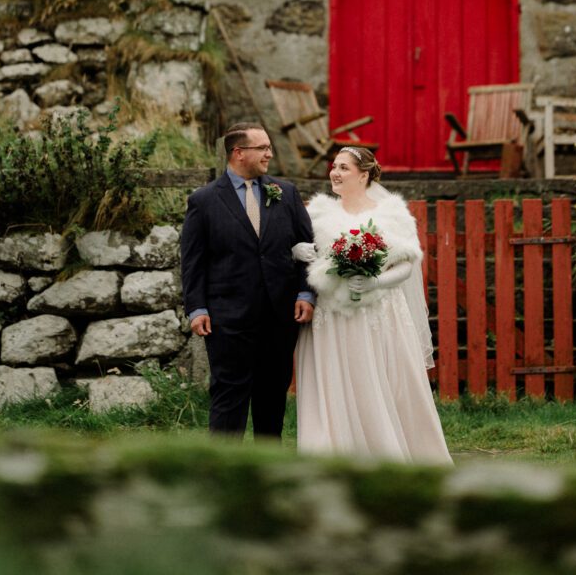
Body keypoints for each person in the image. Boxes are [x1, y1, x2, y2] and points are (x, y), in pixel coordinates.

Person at [293, 146, 452, 464]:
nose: (335, 173)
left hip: (377, 311)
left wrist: (375, 282)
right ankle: (333, 450)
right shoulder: (318, 213)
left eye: (344, 168)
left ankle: (384, 449)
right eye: (333, 167)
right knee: (335, 380)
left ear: (363, 174)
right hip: (332, 314)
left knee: (374, 379)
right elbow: (312, 256)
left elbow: (407, 265)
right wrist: (298, 251)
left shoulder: (391, 214)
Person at [180, 122, 315, 437]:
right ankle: (224, 473)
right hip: (228, 316)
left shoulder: (287, 193)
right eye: (263, 148)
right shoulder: (204, 200)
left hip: (279, 315)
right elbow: (193, 260)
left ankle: (267, 471)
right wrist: (197, 308)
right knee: (229, 395)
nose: (270, 153)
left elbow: (308, 250)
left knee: (272, 397)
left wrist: (305, 294)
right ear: (238, 153)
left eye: (269, 147)